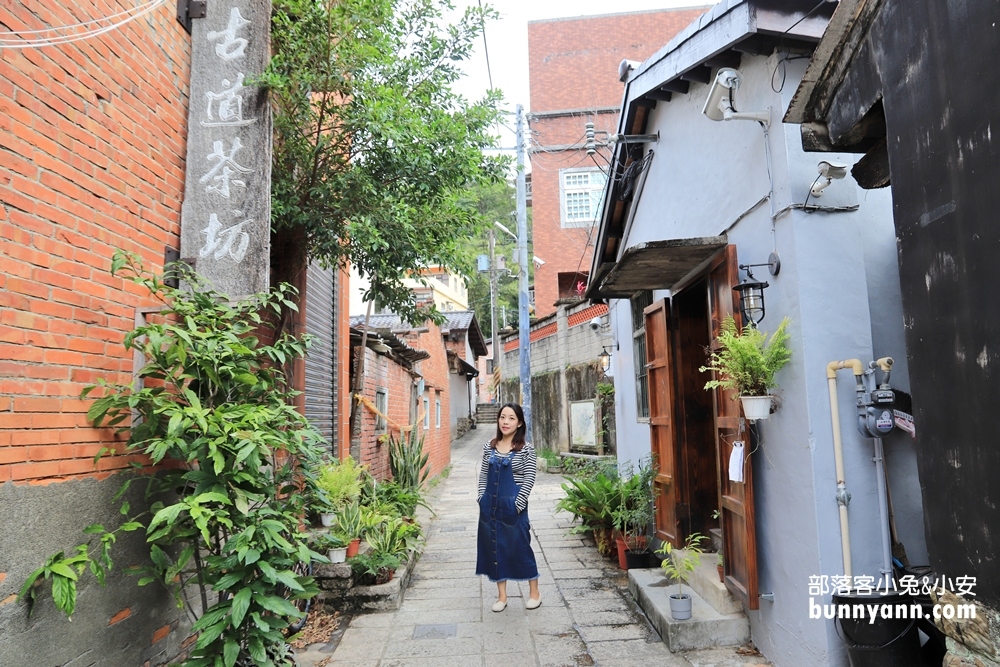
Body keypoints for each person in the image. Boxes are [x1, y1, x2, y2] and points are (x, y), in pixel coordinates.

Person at [475, 402, 541, 612]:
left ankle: (535, 593)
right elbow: (484, 474)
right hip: (490, 507)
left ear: (519, 422)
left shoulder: (526, 450)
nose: (506, 422)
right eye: (503, 417)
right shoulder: (490, 446)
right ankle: (502, 596)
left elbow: (529, 478)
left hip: (513, 508)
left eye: (511, 418)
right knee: (494, 548)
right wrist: (481, 498)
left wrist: (518, 504)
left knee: (521, 548)